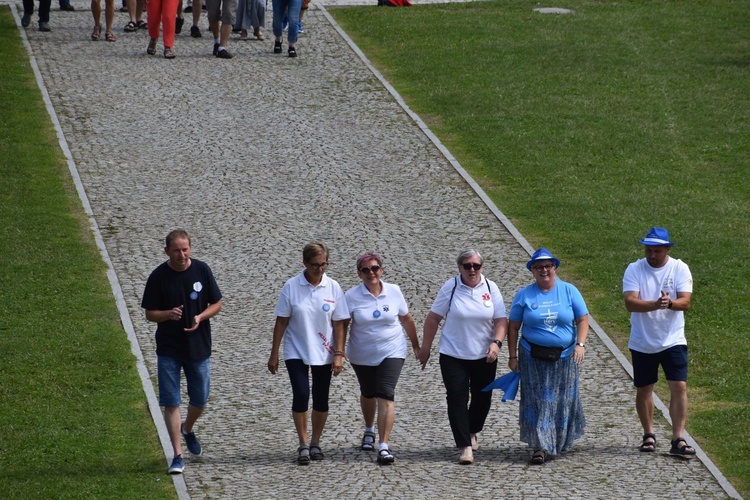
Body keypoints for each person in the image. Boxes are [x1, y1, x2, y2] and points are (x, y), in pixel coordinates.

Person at [141, 229, 223, 474]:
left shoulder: (201, 270)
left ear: (190, 248)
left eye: (185, 249)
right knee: (171, 401)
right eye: (176, 250)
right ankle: (177, 455)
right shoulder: (158, 277)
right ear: (167, 251)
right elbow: (149, 314)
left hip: (198, 347)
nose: (181, 254)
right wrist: (168, 314)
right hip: (169, 349)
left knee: (200, 399)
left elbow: (217, 303)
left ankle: (188, 428)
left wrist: (201, 316)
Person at [419, 249, 507, 465]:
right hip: (453, 353)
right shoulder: (451, 287)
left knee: (482, 398)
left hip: (484, 355)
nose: (472, 270)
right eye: (467, 266)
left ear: (482, 267)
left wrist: (496, 343)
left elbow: (501, 320)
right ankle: (465, 446)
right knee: (457, 397)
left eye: (476, 266)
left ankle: (473, 430)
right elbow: (433, 318)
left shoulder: (490, 287)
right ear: (460, 268)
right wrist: (426, 347)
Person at [268, 243, 349, 465]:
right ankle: (303, 443)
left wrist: (339, 353)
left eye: (324, 264)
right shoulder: (292, 286)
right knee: (301, 393)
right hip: (296, 349)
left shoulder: (333, 287)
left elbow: (340, 323)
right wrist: (274, 353)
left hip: (324, 351)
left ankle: (315, 442)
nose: (320, 269)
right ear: (305, 263)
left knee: (321, 398)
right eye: (315, 265)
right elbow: (282, 320)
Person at [507, 248, 589, 465]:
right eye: (538, 267)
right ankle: (541, 446)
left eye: (548, 266)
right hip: (533, 356)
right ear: (532, 271)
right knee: (540, 401)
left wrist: (580, 344)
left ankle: (558, 439)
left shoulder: (569, 291)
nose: (544, 270)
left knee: (563, 399)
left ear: (554, 268)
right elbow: (513, 327)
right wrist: (513, 356)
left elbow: (582, 319)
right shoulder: (524, 295)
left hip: (565, 357)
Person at [340, 253, 420, 465]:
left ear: (381, 270)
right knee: (368, 392)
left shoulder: (394, 291)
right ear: (359, 273)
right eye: (365, 270)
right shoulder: (351, 296)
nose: (371, 273)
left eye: (375, 268)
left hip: (392, 350)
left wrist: (416, 346)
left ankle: (384, 446)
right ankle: (369, 430)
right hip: (362, 353)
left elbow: (406, 318)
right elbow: (342, 324)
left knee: (386, 393)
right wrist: (338, 351)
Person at [623, 227, 695, 457]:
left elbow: (685, 302)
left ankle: (678, 437)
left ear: (667, 249)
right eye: (648, 250)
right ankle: (649, 434)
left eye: (656, 251)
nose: (652, 255)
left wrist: (669, 303)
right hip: (643, 340)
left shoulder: (679, 268)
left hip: (672, 339)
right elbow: (630, 303)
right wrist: (655, 304)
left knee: (679, 386)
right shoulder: (634, 269)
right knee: (645, 388)